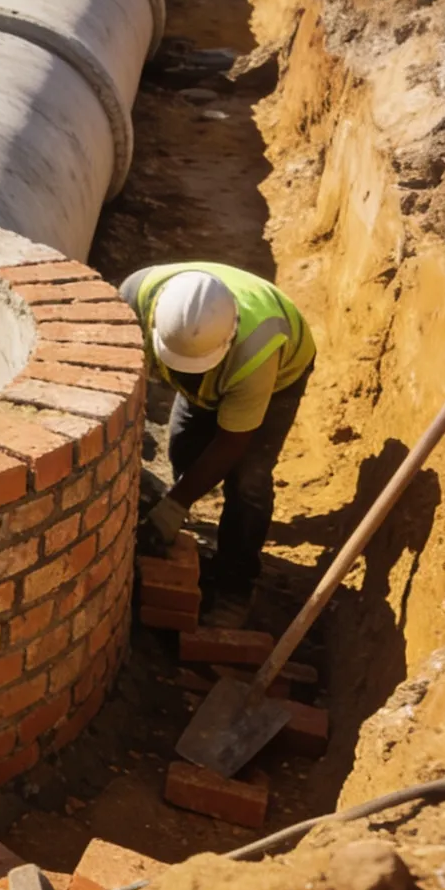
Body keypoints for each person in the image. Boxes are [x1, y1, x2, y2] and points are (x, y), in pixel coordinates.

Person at [119, 262, 316, 625]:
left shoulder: (256, 354)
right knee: (183, 447)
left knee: (248, 480)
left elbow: (232, 442)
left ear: (227, 340)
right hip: (214, 361)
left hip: (281, 375)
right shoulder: (136, 299)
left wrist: (172, 507)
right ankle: (188, 537)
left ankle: (235, 585)